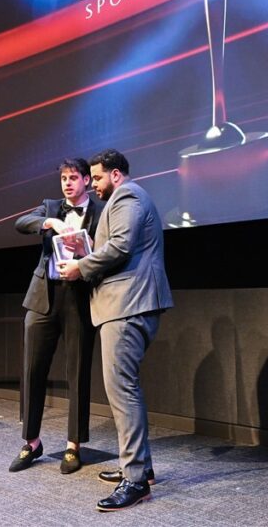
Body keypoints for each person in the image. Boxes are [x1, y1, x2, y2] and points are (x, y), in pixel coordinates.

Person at [58, 149, 173, 511]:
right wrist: (87, 248)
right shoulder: (123, 199)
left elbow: (121, 246)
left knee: (122, 389)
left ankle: (135, 480)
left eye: (97, 177)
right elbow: (120, 245)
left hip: (128, 305)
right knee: (126, 388)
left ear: (116, 175)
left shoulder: (127, 196)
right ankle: (140, 469)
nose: (93, 184)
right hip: (126, 305)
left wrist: (80, 267)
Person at [10, 158, 102, 475]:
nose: (67, 183)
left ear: (86, 180)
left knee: (78, 372)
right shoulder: (50, 207)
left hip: (79, 297)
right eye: (63, 178)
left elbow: (107, 253)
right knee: (33, 369)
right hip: (43, 297)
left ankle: (73, 445)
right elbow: (21, 223)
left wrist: (87, 254)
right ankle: (31, 442)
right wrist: (50, 223)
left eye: (73, 177)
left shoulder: (101, 211)